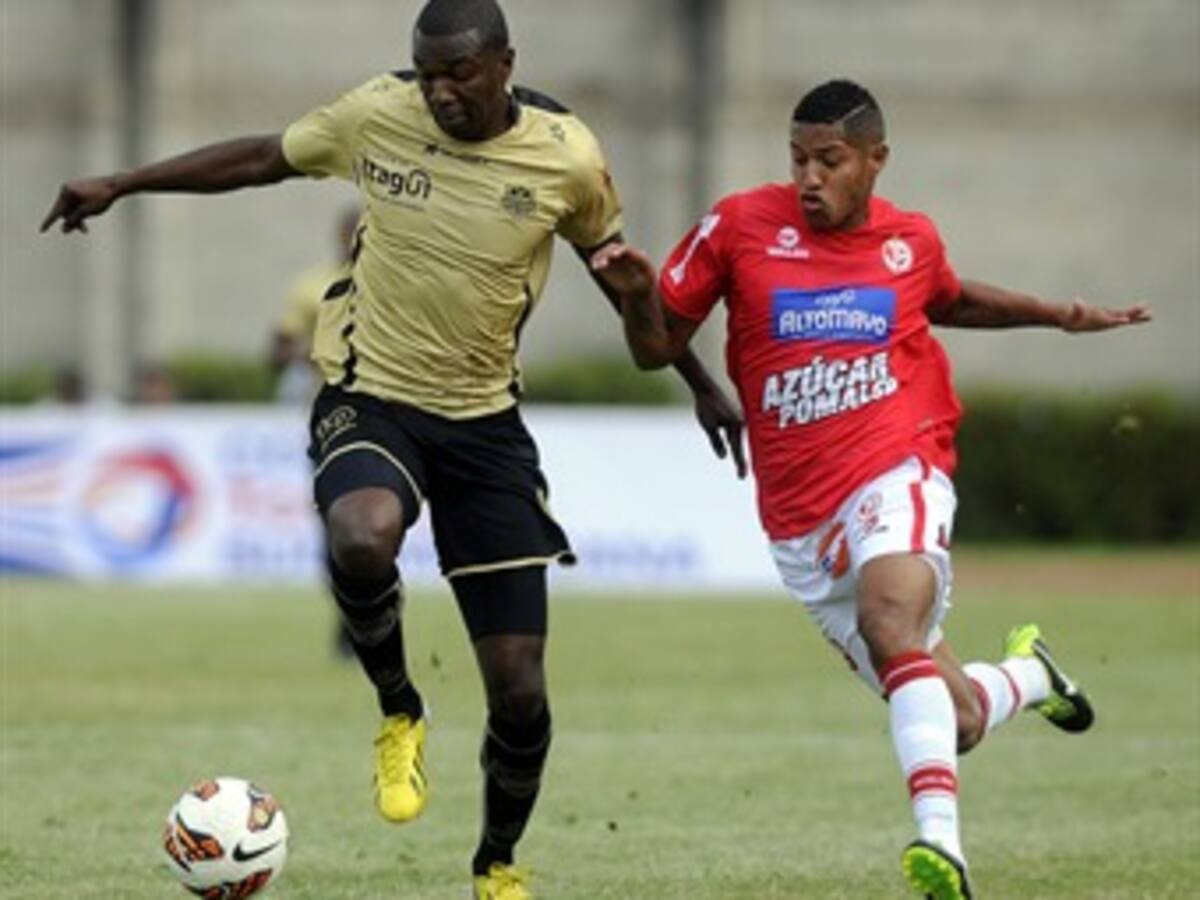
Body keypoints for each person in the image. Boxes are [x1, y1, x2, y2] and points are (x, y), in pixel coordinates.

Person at [41, 2, 743, 897]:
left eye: (457, 74)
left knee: (520, 690)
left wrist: (701, 382)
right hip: (368, 393)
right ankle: (399, 711)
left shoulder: (568, 160)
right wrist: (125, 180)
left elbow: (626, 295)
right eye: (426, 74)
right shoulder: (379, 113)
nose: (439, 92)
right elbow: (262, 156)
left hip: (486, 425)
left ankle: (496, 866)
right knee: (364, 536)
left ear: (502, 65)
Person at [593, 79, 1150, 899]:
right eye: (798, 159)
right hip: (798, 520)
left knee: (893, 619)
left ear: (875, 161)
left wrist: (1058, 313)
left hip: (899, 464)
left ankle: (941, 848)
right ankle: (1033, 679)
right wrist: (640, 298)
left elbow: (951, 299)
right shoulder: (741, 224)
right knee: (952, 721)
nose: (809, 177)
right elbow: (655, 349)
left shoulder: (910, 241)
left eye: (830, 160)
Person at [269, 205, 360, 406]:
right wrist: (311, 354)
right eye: (350, 233)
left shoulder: (392, 289)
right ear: (339, 235)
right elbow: (277, 352)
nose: (355, 241)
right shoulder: (312, 285)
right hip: (326, 401)